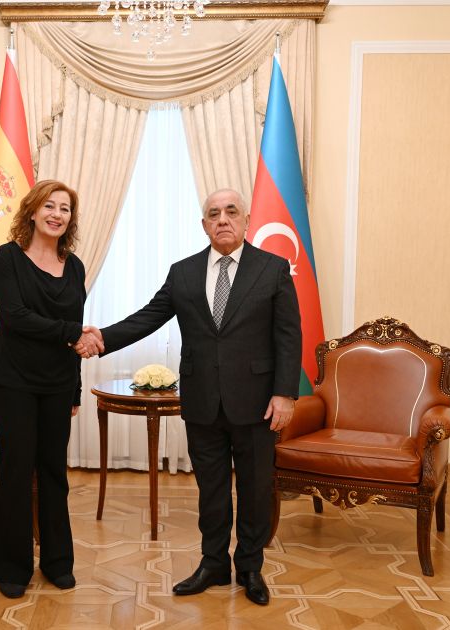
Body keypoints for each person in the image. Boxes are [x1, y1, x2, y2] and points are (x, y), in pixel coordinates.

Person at [78, 189, 301, 606]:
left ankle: (250, 567)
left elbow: (289, 336)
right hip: (202, 402)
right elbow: (148, 317)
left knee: (255, 490)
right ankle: (213, 563)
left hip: (257, 402)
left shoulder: (272, 269)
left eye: (231, 212)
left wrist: (285, 393)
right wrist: (103, 338)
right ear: (204, 225)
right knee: (211, 490)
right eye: (214, 214)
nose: (223, 219)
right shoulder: (183, 272)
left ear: (246, 220)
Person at [0, 180, 102, 599]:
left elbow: (73, 335)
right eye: (49, 206)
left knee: (54, 472)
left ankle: (58, 562)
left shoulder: (75, 266)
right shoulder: (7, 258)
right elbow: (15, 317)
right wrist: (73, 333)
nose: (57, 214)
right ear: (33, 211)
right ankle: (11, 567)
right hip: (14, 382)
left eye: (65, 209)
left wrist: (74, 389)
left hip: (57, 383)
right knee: (16, 471)